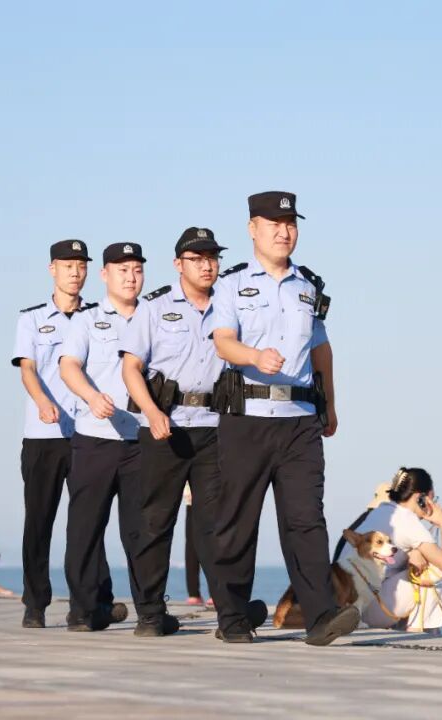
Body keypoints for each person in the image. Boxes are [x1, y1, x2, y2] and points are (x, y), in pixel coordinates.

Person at [208, 191, 358, 646]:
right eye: (274, 224)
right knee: (238, 521)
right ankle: (233, 617)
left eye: (290, 223)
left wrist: (330, 404)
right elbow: (222, 341)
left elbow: (321, 349)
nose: (284, 231)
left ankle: (320, 617)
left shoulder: (308, 286)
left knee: (306, 520)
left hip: (300, 420)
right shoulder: (231, 284)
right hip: (248, 418)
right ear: (252, 229)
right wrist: (254, 356)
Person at [121, 227, 253, 636]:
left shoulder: (231, 306)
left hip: (214, 428)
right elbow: (130, 368)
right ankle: (150, 614)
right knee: (155, 523)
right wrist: (150, 412)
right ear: (179, 264)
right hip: (166, 427)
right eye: (197, 258)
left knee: (217, 525)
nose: (207, 265)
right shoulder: (155, 308)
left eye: (212, 257)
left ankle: (231, 618)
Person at [11, 239, 119, 629]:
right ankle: (35, 603)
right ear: (52, 269)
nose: (75, 272)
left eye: (81, 265)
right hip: (44, 434)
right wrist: (43, 401)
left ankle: (90, 603)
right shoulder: (32, 319)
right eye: (68, 265)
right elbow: (27, 369)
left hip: (89, 433)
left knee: (89, 521)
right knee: (39, 521)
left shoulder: (98, 317)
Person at [59, 242, 148, 632]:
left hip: (141, 441)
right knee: (85, 528)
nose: (131, 277)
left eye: (137, 270)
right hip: (95, 438)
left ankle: (150, 610)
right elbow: (68, 366)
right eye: (122, 270)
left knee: (141, 531)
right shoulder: (87, 320)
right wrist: (91, 397)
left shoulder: (154, 316)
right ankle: (83, 609)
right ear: (105, 274)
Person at [337, 467, 442, 633]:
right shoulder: (408, 521)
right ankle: (417, 633)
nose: (434, 505)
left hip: (350, 607)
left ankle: (415, 630)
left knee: (417, 564)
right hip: (366, 610)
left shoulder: (381, 511)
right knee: (433, 570)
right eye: (433, 499)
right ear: (421, 497)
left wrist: (413, 551)